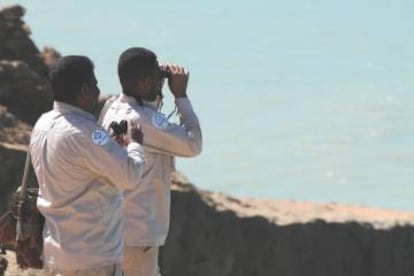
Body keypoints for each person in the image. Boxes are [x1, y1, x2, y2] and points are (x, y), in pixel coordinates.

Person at [30, 55, 145, 276]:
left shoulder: (42, 124)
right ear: (84, 89)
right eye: (95, 85)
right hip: (93, 256)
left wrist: (110, 148)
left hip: (55, 252)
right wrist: (135, 145)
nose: (97, 91)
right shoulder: (88, 132)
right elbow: (130, 175)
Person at [99, 47, 202, 275]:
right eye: (157, 79)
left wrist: (155, 87)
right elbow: (193, 144)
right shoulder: (144, 120)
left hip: (112, 226)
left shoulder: (112, 107)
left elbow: (150, 116)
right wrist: (181, 96)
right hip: (138, 233)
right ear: (145, 83)